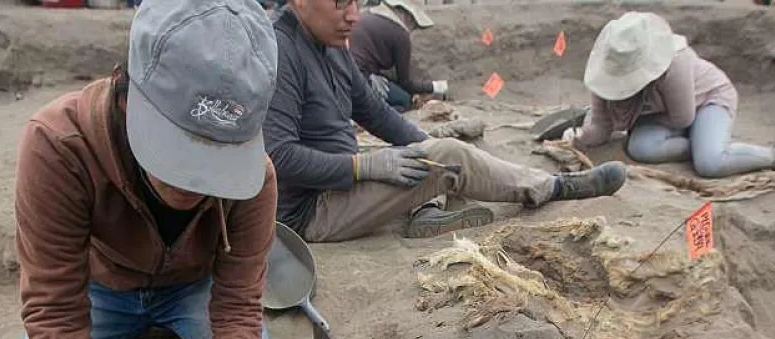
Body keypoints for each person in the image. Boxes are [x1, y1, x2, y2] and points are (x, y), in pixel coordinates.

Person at [0, 0, 281, 339]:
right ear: (128, 90)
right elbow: (53, 307)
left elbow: (239, 298)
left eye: (215, 160)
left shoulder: (256, 178)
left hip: (193, 287)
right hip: (101, 290)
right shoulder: (58, 145)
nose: (194, 184)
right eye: (180, 152)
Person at [264, 0, 628, 243]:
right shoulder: (281, 50)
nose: (354, 16)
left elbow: (374, 112)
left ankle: (426, 211)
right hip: (310, 212)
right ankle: (554, 187)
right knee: (449, 156)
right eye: (341, 2)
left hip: (341, 181)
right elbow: (277, 157)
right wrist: (363, 166)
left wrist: (423, 144)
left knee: (432, 152)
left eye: (356, 1)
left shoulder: (331, 44)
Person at [563, 13, 775, 179]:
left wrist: (640, 122)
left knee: (710, 163)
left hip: (707, 101)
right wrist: (580, 137)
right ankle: (702, 143)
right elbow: (601, 126)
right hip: (662, 115)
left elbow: (682, 118)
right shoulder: (604, 72)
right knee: (640, 148)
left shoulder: (675, 63)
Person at [350, 0, 445, 112]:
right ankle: (368, 113)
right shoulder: (400, 35)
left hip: (347, 70)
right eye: (414, 23)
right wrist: (436, 86)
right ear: (407, 15)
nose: (412, 27)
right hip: (360, 77)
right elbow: (405, 83)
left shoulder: (367, 15)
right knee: (404, 100)